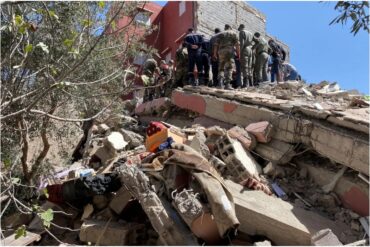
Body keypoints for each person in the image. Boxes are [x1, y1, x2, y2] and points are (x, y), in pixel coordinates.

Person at [213, 24, 240, 89]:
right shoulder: (233, 33)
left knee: (221, 67)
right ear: (230, 28)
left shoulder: (220, 34)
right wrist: (239, 54)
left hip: (221, 51)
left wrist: (214, 54)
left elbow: (216, 45)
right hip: (229, 51)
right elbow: (237, 45)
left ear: (225, 28)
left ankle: (220, 83)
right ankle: (228, 84)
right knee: (229, 67)